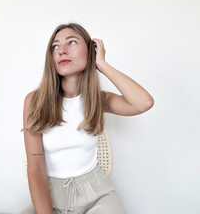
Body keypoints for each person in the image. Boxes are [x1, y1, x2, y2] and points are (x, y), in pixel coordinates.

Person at [20, 23, 154, 214]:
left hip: (97, 195)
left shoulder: (98, 99)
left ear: (90, 52)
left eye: (71, 42)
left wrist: (102, 64)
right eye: (55, 46)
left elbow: (144, 103)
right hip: (50, 194)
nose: (61, 51)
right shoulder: (34, 101)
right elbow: (36, 169)